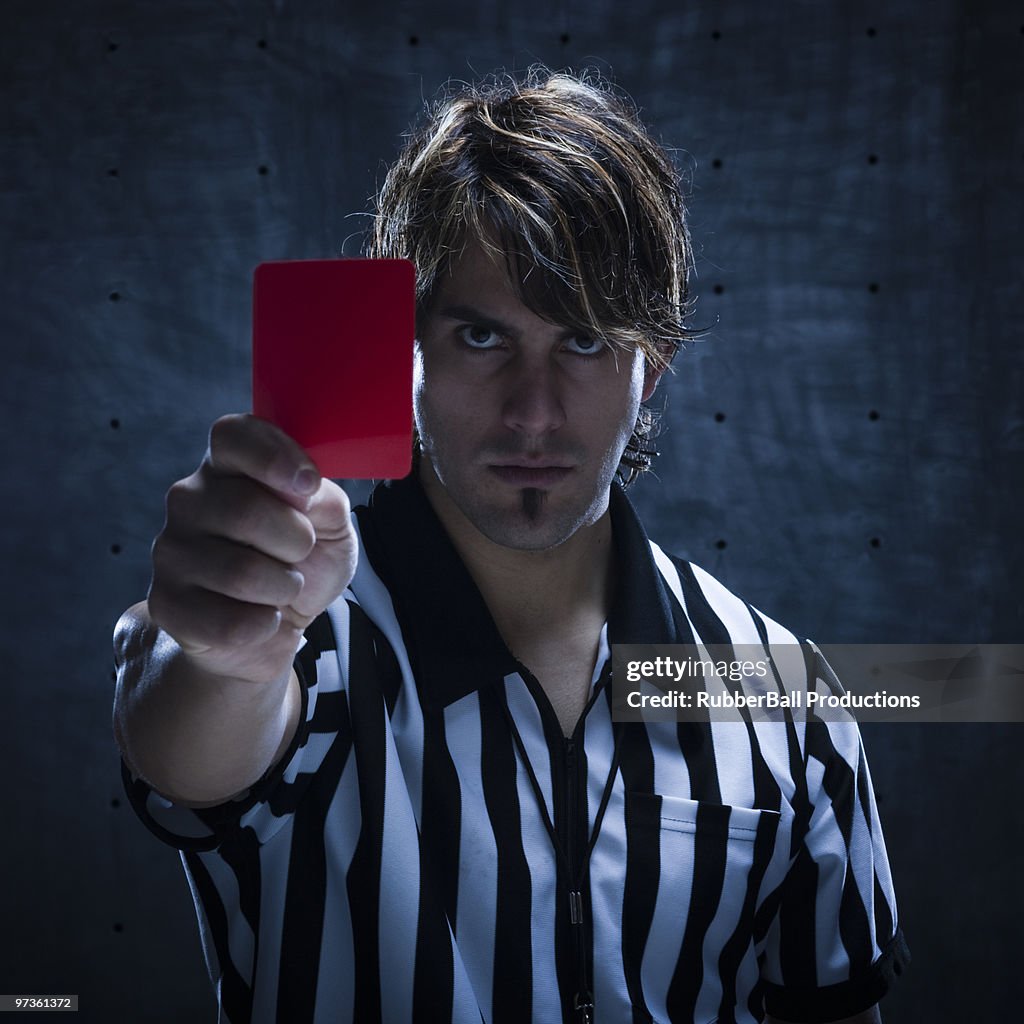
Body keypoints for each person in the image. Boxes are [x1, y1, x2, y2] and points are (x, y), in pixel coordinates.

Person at [113, 67, 908, 1024]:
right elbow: (190, 741)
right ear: (403, 349)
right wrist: (223, 651)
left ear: (650, 365)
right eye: (483, 337)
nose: (533, 415)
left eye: (583, 343)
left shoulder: (789, 698)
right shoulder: (306, 632)